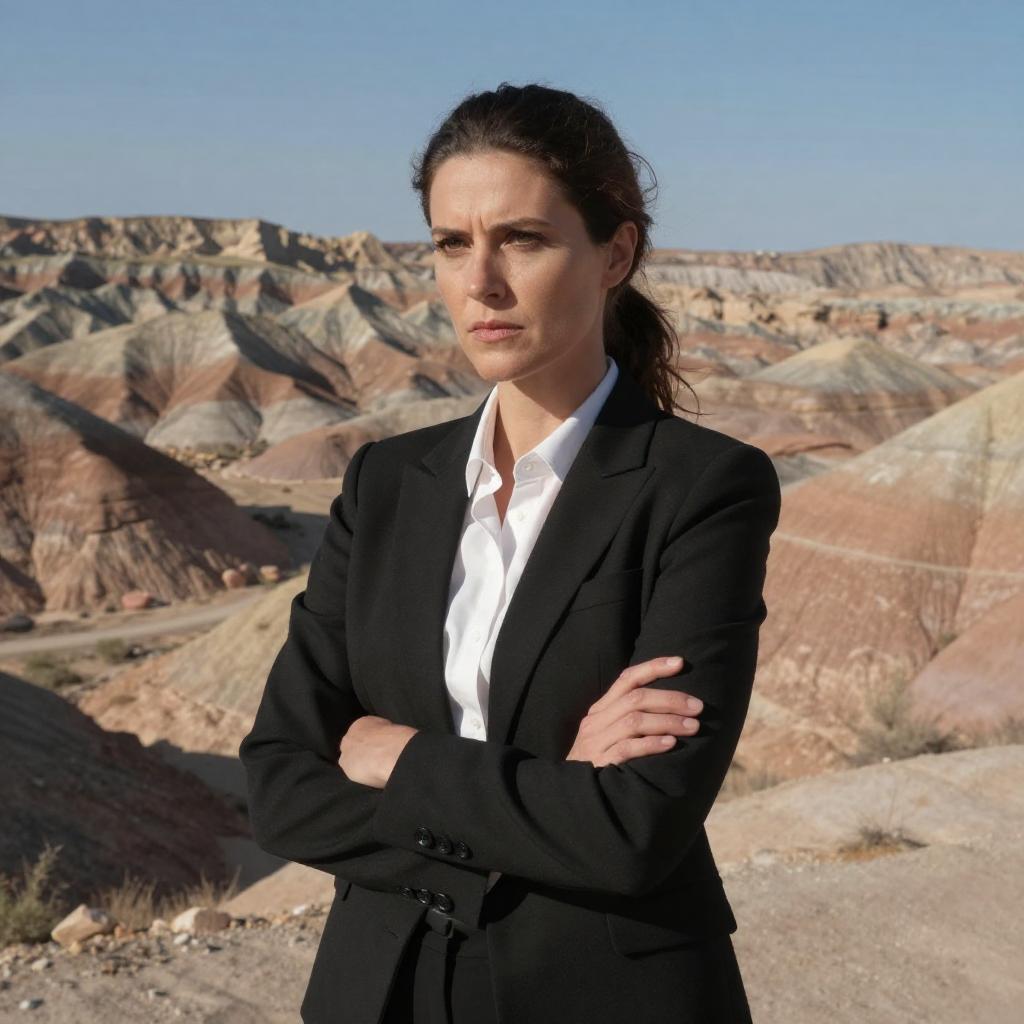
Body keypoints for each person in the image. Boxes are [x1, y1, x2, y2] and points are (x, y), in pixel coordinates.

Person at [238, 81, 781, 1024]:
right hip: (380, 989)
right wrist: (545, 790)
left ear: (616, 253)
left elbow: (633, 828)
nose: (480, 281)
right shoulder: (385, 484)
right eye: (453, 243)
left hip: (606, 993)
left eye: (522, 239)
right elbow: (283, 786)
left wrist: (397, 755)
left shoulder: (703, 489)